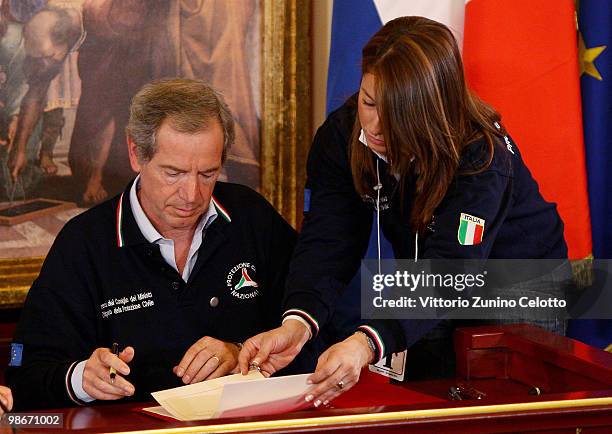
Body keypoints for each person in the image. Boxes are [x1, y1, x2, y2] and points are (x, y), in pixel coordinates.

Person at [238, 16, 569, 406]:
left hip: (516, 278)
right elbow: (328, 242)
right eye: (369, 101)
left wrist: (364, 343)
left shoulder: (481, 154)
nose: (376, 126)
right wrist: (298, 323)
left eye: (397, 111)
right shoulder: (342, 135)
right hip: (429, 268)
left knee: (503, 406)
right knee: (422, 397)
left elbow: (453, 271)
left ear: (432, 107)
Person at [6, 78, 312, 410]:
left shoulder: (251, 217)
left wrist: (242, 352)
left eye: (208, 173)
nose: (192, 195)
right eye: (174, 173)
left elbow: (314, 325)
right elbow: (25, 378)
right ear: (136, 154)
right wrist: (81, 378)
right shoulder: (84, 244)